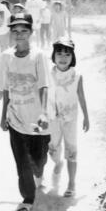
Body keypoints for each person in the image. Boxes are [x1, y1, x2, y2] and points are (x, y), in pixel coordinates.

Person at [0, 13, 51, 211]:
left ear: (31, 32)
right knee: (22, 160)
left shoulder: (38, 56)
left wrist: (44, 113)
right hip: (16, 117)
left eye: (24, 31)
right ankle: (27, 198)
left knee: (38, 160)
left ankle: (39, 173)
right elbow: (5, 89)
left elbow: (44, 85)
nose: (19, 35)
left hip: (37, 119)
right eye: (15, 31)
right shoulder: (5, 57)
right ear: (11, 33)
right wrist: (3, 116)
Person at [46, 37, 89, 198]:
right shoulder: (48, 74)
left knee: (71, 149)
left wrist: (86, 116)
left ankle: (71, 184)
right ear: (54, 56)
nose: (63, 58)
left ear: (72, 57)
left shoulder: (77, 75)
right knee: (53, 149)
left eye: (67, 55)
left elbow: (81, 96)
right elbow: (43, 95)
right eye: (59, 54)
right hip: (52, 118)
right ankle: (58, 164)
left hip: (70, 117)